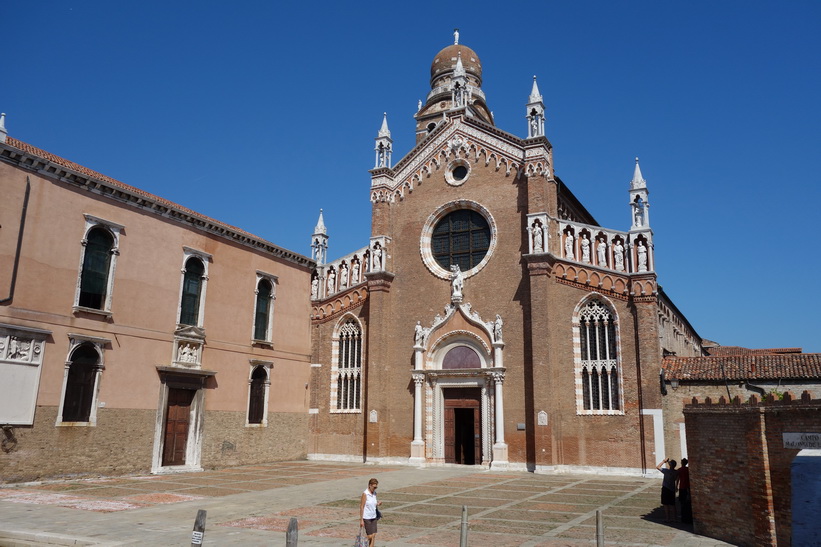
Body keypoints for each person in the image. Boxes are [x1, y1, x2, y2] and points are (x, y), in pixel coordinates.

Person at [359, 478, 382, 546]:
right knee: (370, 536)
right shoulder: (365, 494)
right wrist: (361, 520)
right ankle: (363, 541)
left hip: (373, 516)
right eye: (374, 487)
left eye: (376, 487)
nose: (375, 488)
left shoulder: (374, 493)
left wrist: (378, 503)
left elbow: (373, 503)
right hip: (367, 517)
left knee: (374, 535)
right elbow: (362, 506)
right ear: (370, 485)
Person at [656, 458, 678, 522]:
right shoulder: (676, 472)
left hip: (665, 488)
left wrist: (663, 461)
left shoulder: (666, 471)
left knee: (666, 504)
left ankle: (668, 518)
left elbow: (658, 467)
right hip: (672, 488)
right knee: (672, 504)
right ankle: (675, 518)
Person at [678, 458, 692, 524]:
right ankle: (688, 516)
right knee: (688, 502)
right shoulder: (688, 470)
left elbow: (677, 479)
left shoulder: (680, 470)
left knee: (682, 503)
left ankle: (683, 517)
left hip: (682, 487)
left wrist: (676, 486)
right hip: (688, 487)